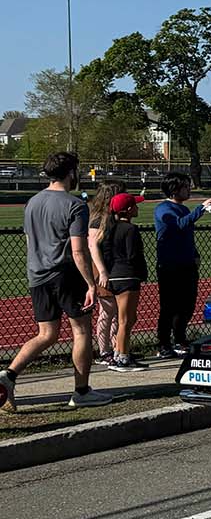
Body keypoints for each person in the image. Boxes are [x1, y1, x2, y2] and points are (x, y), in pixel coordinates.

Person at [0, 152, 110, 411]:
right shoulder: (75, 205)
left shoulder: (32, 202)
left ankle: (9, 375)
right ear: (71, 172)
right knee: (81, 330)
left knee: (47, 334)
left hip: (37, 274)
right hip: (65, 273)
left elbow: (30, 241)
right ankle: (81, 391)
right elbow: (78, 251)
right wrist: (91, 283)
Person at [153, 174, 211, 357]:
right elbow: (179, 225)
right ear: (174, 189)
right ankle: (164, 343)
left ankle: (180, 338)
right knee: (169, 306)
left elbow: (187, 234)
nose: (189, 190)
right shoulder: (163, 209)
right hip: (170, 264)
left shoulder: (183, 208)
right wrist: (201, 208)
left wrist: (195, 254)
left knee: (187, 305)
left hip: (187, 263)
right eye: (185, 187)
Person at [99, 193, 148, 371]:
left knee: (127, 318)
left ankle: (119, 353)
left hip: (114, 275)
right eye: (135, 205)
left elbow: (105, 252)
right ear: (128, 210)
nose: (137, 208)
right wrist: (142, 272)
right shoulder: (130, 229)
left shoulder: (109, 229)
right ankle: (122, 357)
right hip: (128, 276)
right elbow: (133, 254)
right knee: (125, 321)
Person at [87, 179, 125, 365]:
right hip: (103, 267)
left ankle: (116, 347)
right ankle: (104, 351)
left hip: (115, 266)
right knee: (107, 310)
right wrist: (102, 271)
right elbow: (93, 246)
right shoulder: (98, 218)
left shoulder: (113, 216)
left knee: (117, 311)